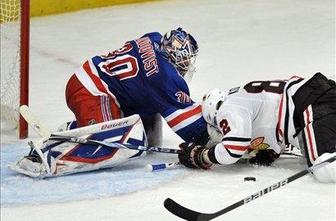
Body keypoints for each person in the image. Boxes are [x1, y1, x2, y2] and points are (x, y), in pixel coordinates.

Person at [12, 28, 209, 177]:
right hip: (91, 92)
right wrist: (218, 142)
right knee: (120, 145)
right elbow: (191, 129)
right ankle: (47, 159)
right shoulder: (163, 77)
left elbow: (144, 82)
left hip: (99, 83)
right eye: (185, 61)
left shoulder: (154, 38)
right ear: (175, 55)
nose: (186, 66)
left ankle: (75, 130)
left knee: (151, 134)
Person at [178, 73, 336, 183]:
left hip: (311, 105)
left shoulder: (227, 106)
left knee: (324, 168)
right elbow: (272, 118)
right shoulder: (245, 96)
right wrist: (271, 150)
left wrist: (202, 155)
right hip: (319, 94)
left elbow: (233, 149)